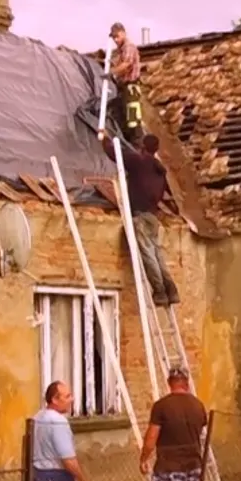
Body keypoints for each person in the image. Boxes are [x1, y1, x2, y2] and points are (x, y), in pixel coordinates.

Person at [100, 133, 181, 306]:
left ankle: (159, 291)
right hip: (153, 216)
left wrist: (104, 139)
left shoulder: (139, 162)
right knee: (157, 254)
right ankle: (171, 289)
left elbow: (116, 155)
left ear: (143, 147)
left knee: (147, 253)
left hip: (140, 215)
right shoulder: (160, 172)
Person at [140, 367, 209, 481]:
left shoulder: (161, 406)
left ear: (169, 383)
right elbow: (201, 429)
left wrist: (144, 458)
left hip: (166, 466)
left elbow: (151, 437)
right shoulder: (198, 405)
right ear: (186, 383)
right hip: (193, 465)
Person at [107, 22, 144, 144]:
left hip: (130, 87)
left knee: (132, 118)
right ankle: (131, 141)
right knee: (124, 116)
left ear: (123, 33)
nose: (115, 40)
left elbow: (126, 64)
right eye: (113, 38)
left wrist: (112, 72)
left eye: (117, 36)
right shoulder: (121, 50)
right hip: (124, 87)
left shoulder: (129, 47)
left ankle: (138, 144)